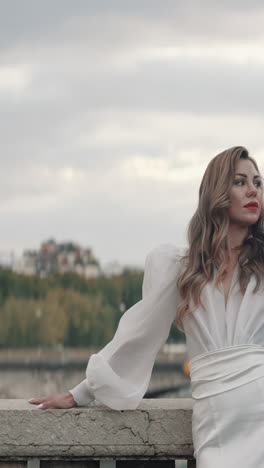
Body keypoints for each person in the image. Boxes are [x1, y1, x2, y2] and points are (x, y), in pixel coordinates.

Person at [29, 146, 264, 468]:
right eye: (240, 182)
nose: (253, 190)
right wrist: (79, 394)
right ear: (217, 193)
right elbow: (140, 335)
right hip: (217, 420)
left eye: (258, 182)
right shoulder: (181, 269)